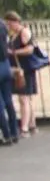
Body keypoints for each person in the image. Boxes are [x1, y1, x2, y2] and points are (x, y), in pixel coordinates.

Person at [5, 11, 38, 136]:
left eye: (9, 24)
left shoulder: (24, 32)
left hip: (25, 69)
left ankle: (24, 128)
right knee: (26, 98)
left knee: (24, 98)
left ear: (15, 22)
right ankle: (32, 125)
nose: (9, 26)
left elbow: (30, 49)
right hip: (20, 69)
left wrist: (14, 52)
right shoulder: (14, 34)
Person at [0, 18, 18, 146]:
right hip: (5, 64)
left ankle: (6, 135)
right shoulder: (2, 25)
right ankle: (14, 132)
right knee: (8, 100)